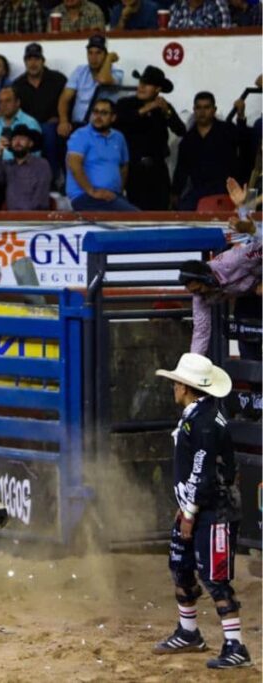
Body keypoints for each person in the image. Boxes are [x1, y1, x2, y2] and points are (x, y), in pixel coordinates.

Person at [152, 354, 251, 669]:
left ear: (184, 387)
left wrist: (190, 511)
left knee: (214, 576)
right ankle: (189, 632)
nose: (174, 389)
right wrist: (186, 507)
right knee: (180, 565)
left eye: (176, 384)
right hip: (201, 506)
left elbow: (202, 471)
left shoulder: (204, 422)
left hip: (214, 511)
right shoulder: (201, 416)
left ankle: (236, 647)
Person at [178, 206, 261, 359]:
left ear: (207, 277)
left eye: (199, 289)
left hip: (258, 278)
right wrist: (193, 364)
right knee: (245, 334)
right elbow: (201, 331)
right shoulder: (200, 299)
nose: (199, 294)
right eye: (194, 292)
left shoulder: (234, 260)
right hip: (249, 295)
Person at [113, 66, 186, 211]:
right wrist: (147, 108)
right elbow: (119, 122)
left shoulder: (164, 107)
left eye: (147, 84)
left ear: (158, 89)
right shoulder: (125, 103)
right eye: (141, 82)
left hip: (158, 169)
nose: (141, 87)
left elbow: (180, 130)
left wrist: (167, 112)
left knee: (161, 212)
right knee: (133, 213)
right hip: (133, 168)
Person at [173, 92, 243, 211]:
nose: (202, 112)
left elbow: (245, 145)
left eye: (206, 107)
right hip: (198, 192)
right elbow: (181, 170)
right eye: (199, 108)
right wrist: (175, 194)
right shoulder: (188, 139)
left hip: (225, 191)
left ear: (214, 109)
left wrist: (241, 117)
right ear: (194, 110)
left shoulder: (227, 130)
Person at [65, 99, 136, 212]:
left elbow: (124, 166)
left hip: (112, 197)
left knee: (141, 218)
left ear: (113, 117)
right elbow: (74, 164)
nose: (98, 117)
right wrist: (92, 191)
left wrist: (118, 191)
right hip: (85, 196)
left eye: (103, 113)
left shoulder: (119, 137)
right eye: (95, 112)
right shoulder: (81, 135)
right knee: (137, 218)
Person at [12, 43, 67, 178]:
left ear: (43, 61)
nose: (33, 63)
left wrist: (61, 118)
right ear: (25, 62)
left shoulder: (58, 79)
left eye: (36, 59)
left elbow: (68, 102)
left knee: (49, 131)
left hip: (54, 125)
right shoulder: (18, 84)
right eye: (29, 59)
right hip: (28, 127)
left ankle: (54, 178)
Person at [58, 35, 123, 137]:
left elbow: (103, 79)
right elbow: (64, 99)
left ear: (105, 55)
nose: (93, 58)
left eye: (98, 53)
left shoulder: (116, 72)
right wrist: (63, 121)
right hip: (79, 125)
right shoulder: (80, 71)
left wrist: (109, 59)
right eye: (90, 53)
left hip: (102, 127)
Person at [0, 124, 52, 210]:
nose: (17, 142)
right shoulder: (8, 165)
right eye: (14, 139)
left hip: (35, 218)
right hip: (12, 219)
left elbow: (40, 196)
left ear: (30, 143)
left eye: (22, 138)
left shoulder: (41, 164)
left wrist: (26, 217)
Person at [0, 86, 40, 162]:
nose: (3, 105)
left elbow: (36, 156)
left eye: (8, 101)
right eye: (0, 102)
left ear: (17, 102)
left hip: (24, 170)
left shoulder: (30, 123)